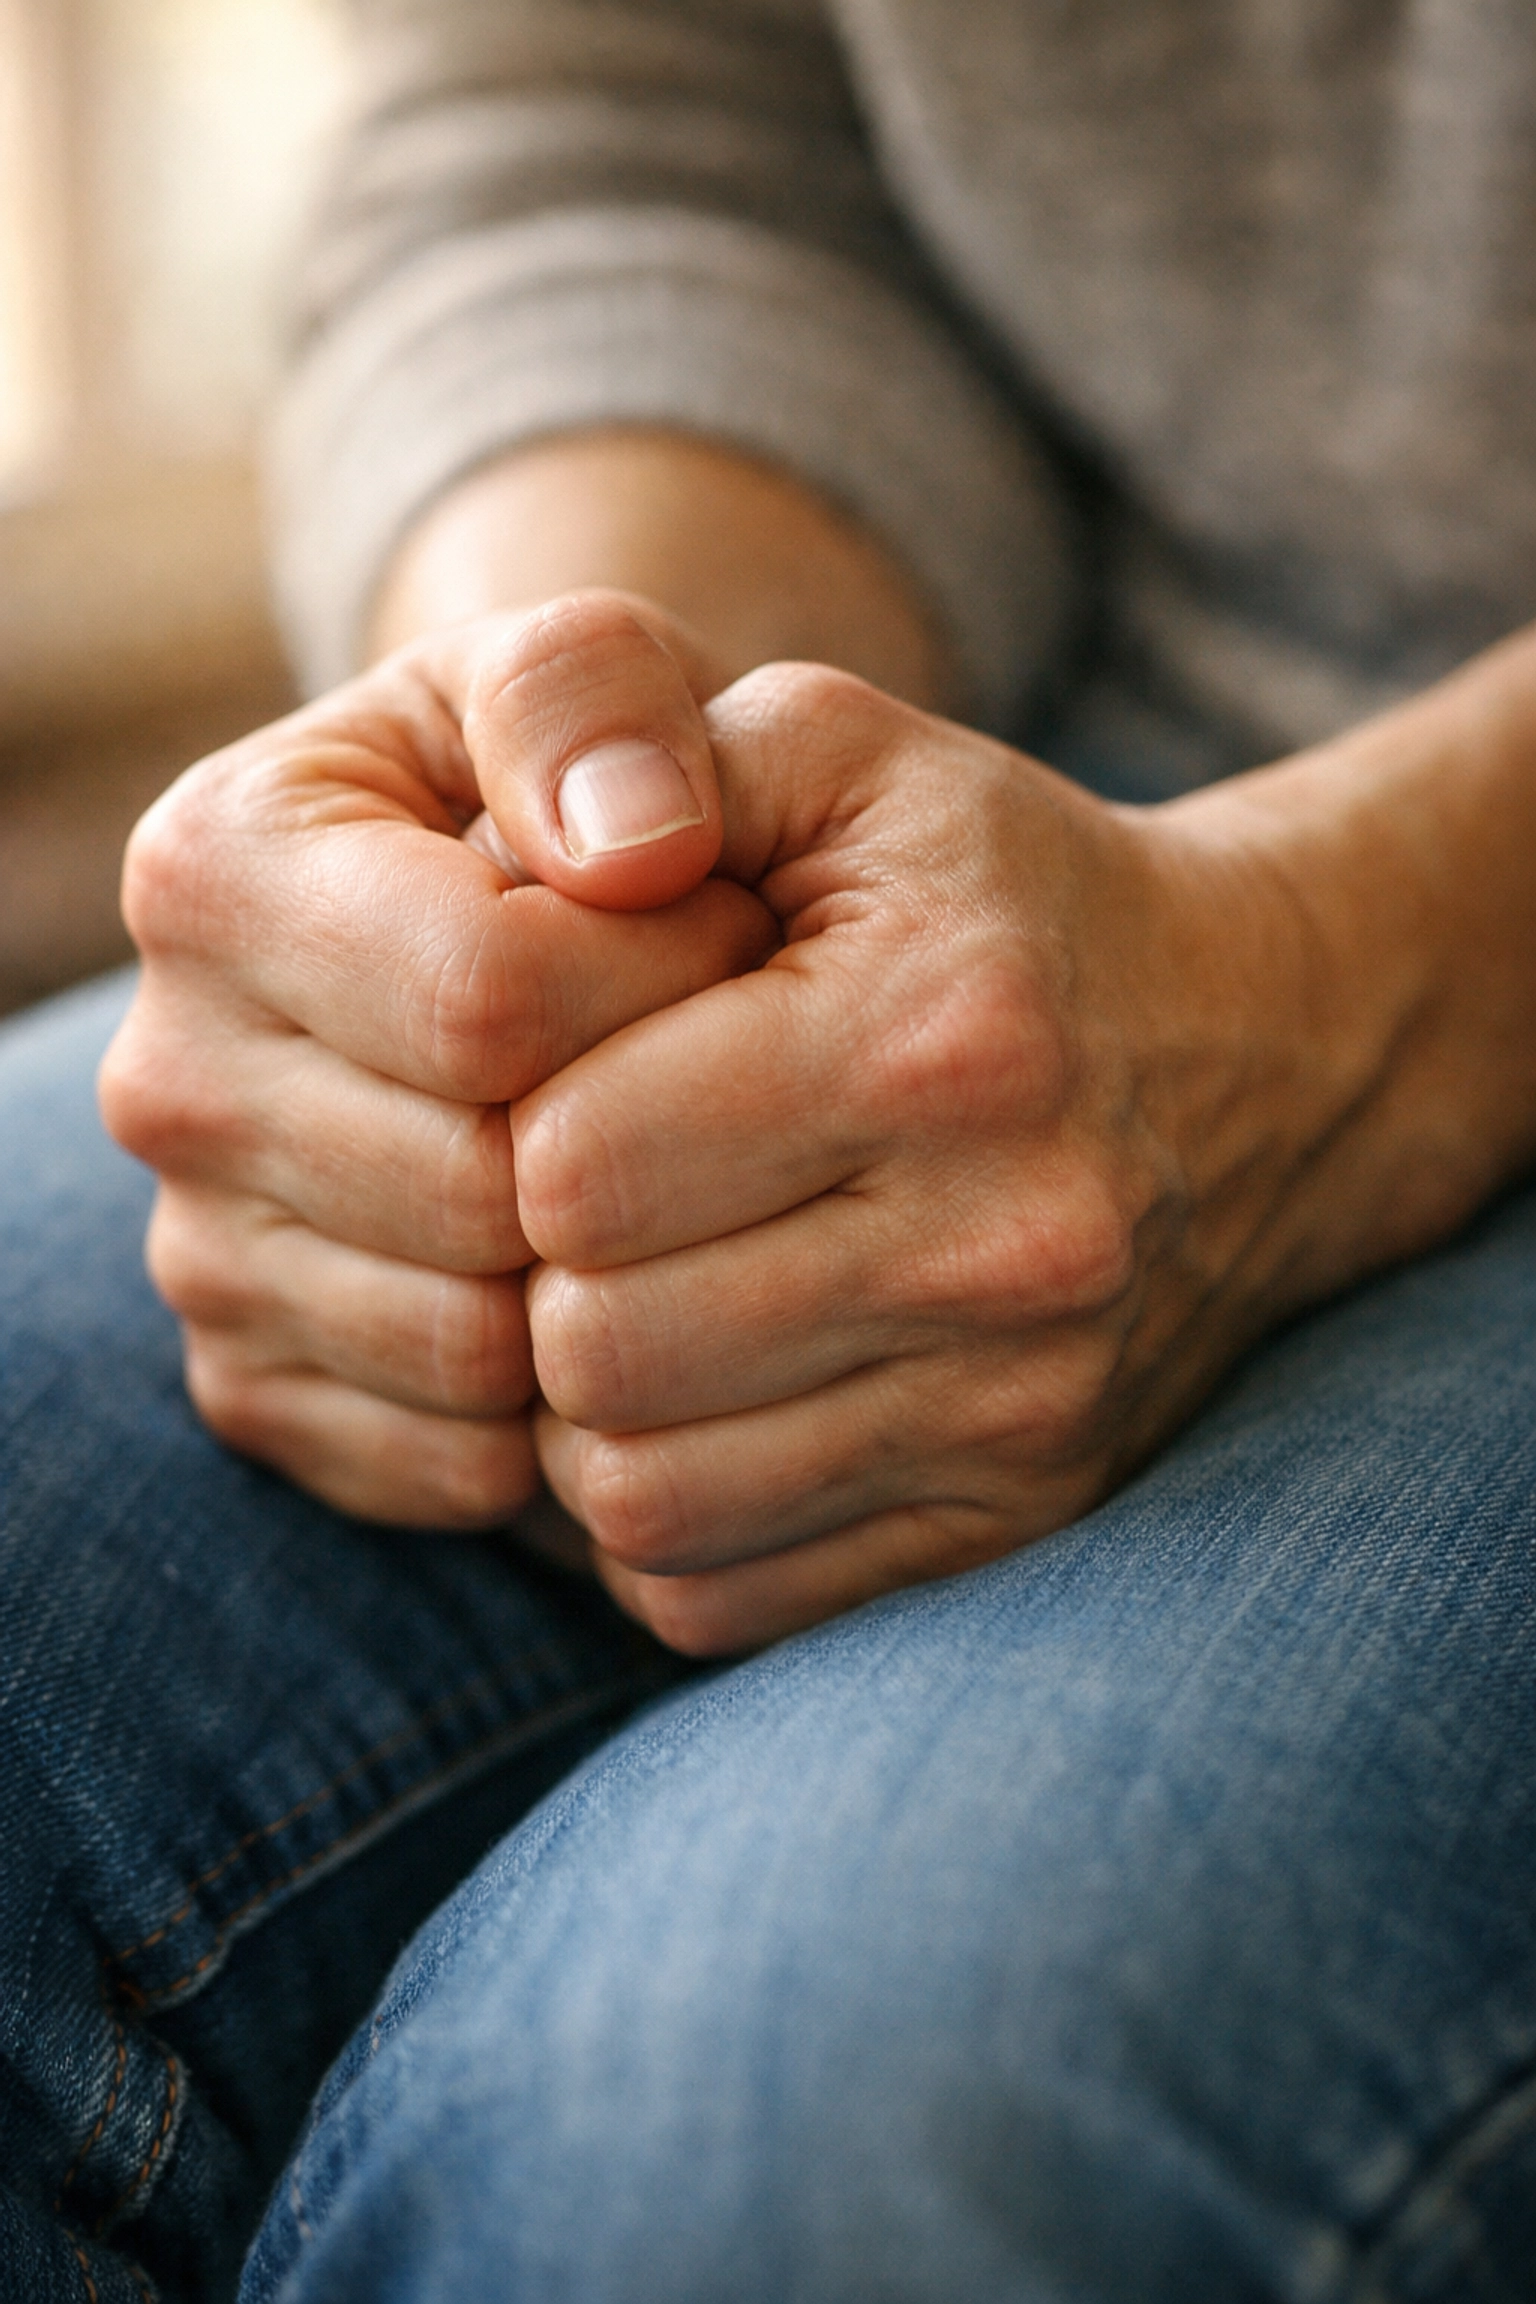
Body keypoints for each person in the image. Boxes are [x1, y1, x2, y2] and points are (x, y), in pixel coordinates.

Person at [3, 3, 1535, 2298]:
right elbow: (625, 117)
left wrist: (1355, 975)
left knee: (765, 2151)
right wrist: (576, 794)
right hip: (992, 809)